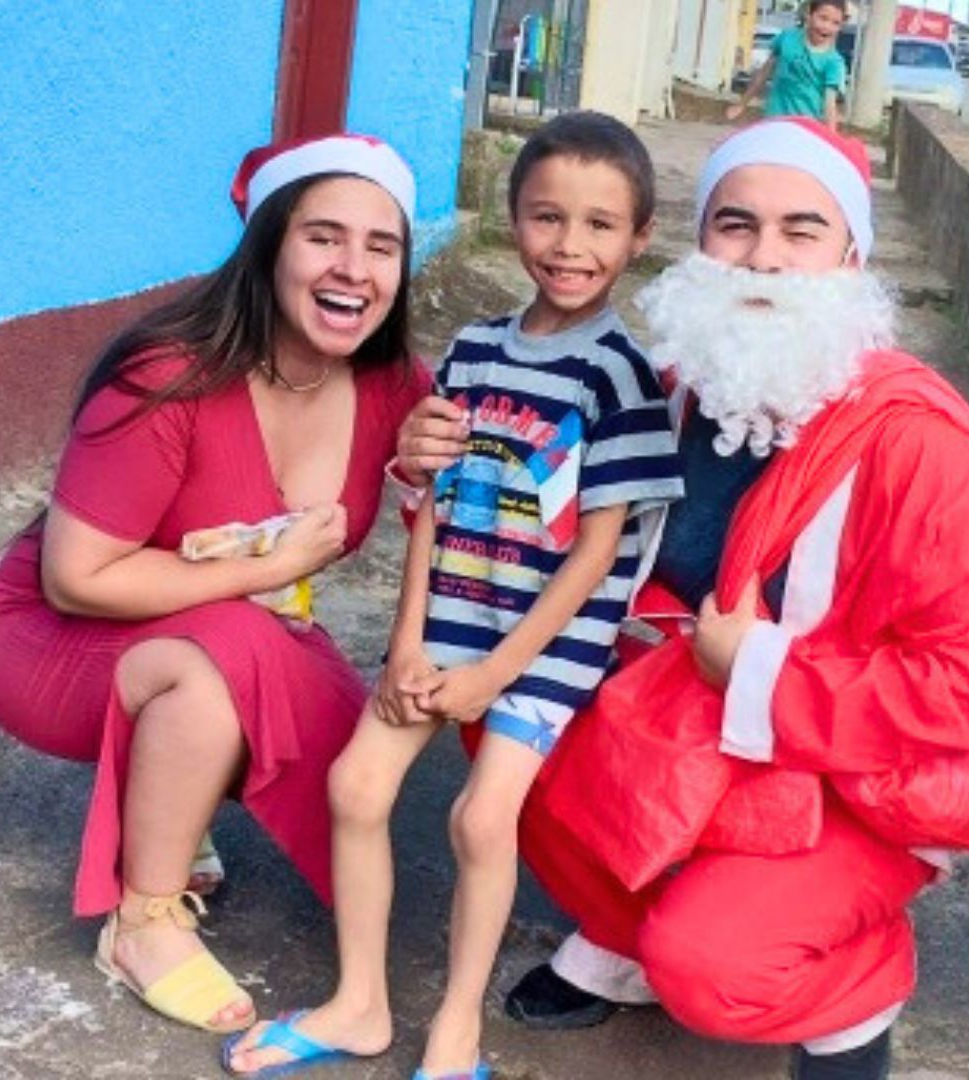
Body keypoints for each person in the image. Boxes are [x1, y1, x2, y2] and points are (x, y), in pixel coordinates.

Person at [401, 116, 969, 1080]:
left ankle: (854, 995)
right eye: (735, 226)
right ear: (697, 244)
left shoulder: (924, 447)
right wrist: (430, 466)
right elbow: (517, 531)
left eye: (801, 231)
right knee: (504, 723)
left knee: (713, 966)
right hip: (685, 732)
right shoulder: (672, 390)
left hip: (846, 780)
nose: (765, 261)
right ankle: (623, 942)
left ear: (852, 255)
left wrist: (757, 669)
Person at [222, 112, 684, 1080]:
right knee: (354, 785)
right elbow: (429, 504)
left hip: (542, 648)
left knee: (480, 819)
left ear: (640, 237)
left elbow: (600, 554)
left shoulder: (621, 376)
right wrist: (405, 644)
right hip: (447, 622)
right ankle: (359, 1006)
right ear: (511, 219)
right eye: (548, 216)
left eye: (601, 225)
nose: (571, 245)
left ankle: (458, 1031)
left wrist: (495, 675)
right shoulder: (473, 349)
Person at [0, 134, 429, 1035]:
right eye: (323, 237)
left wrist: (432, 463)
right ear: (269, 246)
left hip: (218, 620)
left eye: (382, 246)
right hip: (51, 638)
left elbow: (461, 494)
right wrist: (275, 567)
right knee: (225, 666)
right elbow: (75, 578)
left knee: (343, 741)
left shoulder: (392, 384)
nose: (355, 268)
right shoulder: (169, 373)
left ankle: (172, 796)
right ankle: (141, 919)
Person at [727, 0, 849, 130]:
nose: (827, 26)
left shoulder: (834, 62)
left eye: (835, 23)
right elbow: (763, 73)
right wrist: (742, 103)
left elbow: (830, 104)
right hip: (773, 121)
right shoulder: (787, 38)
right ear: (809, 14)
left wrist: (831, 139)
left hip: (804, 129)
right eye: (823, 18)